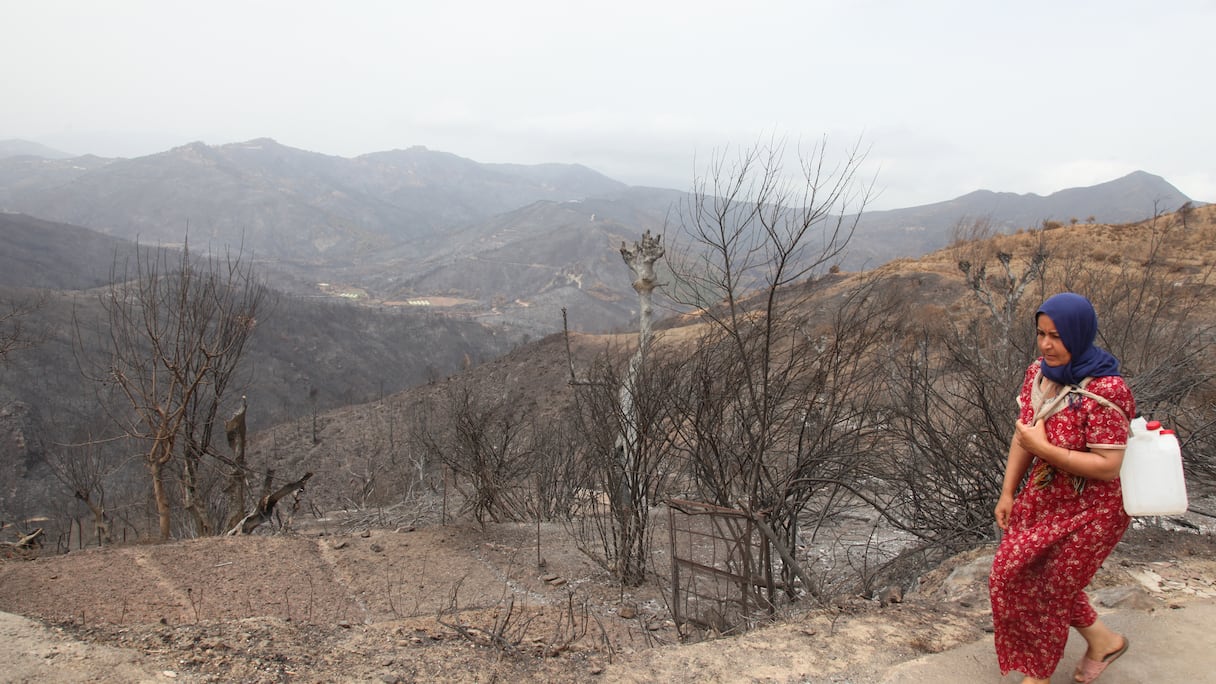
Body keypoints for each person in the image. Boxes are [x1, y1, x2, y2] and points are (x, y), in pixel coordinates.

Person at [989, 292, 1135, 684]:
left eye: (1058, 335)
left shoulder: (1107, 389)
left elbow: (1108, 467)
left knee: (1052, 588)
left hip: (1095, 509)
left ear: (1080, 334)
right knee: (1011, 573)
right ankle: (1104, 641)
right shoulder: (1040, 373)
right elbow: (1024, 437)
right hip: (1045, 497)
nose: (1048, 344)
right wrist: (1008, 492)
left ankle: (1038, 674)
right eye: (1041, 334)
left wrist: (1045, 450)